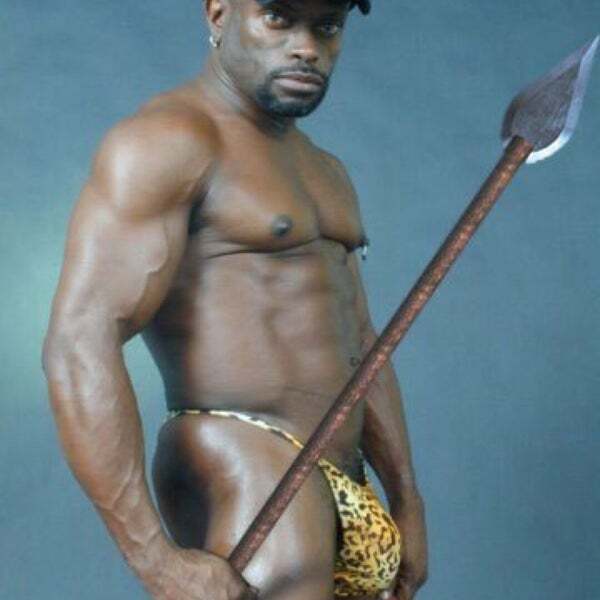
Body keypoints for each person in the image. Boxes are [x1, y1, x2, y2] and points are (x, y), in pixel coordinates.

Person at [42, 0, 428, 598]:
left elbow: (362, 342)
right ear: (219, 14)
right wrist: (154, 560)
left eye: (327, 26)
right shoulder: (168, 141)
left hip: (341, 473)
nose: (306, 47)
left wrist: (405, 495)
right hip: (244, 454)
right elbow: (79, 341)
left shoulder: (327, 170)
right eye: (278, 18)